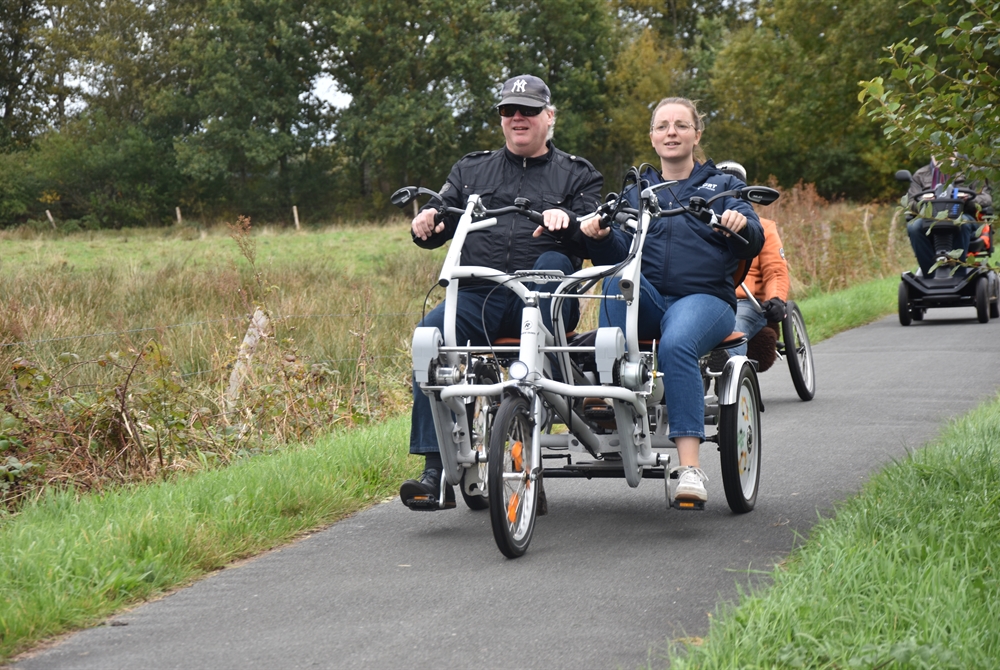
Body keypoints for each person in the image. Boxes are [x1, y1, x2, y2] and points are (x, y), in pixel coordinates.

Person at [400, 74, 604, 510]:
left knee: (550, 265)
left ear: (549, 117)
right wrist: (428, 220)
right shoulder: (471, 169)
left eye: (528, 110)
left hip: (545, 298)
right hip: (480, 294)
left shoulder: (578, 174)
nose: (518, 118)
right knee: (429, 340)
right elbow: (442, 214)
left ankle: (529, 455)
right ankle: (436, 472)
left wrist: (566, 219)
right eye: (509, 111)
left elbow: (596, 235)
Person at [580, 98, 763, 505]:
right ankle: (609, 397)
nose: (671, 132)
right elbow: (619, 254)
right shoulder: (635, 192)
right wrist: (600, 236)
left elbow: (754, 237)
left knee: (678, 342)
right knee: (614, 282)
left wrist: (739, 222)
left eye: (681, 125)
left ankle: (689, 469)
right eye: (663, 126)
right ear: (652, 136)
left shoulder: (723, 187)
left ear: (697, 134)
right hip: (647, 298)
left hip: (704, 298)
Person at [715, 161, 790, 357]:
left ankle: (729, 365)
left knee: (734, 327)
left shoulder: (763, 228)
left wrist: (776, 299)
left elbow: (775, 270)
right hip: (710, 298)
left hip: (747, 302)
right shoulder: (705, 226)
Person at [906, 155, 992, 277]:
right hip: (930, 219)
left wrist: (967, 199)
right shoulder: (920, 175)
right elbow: (911, 203)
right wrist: (923, 202)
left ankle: (958, 275)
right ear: (931, 152)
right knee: (914, 227)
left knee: (961, 224)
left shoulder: (971, 171)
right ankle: (929, 275)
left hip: (964, 216)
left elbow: (986, 198)